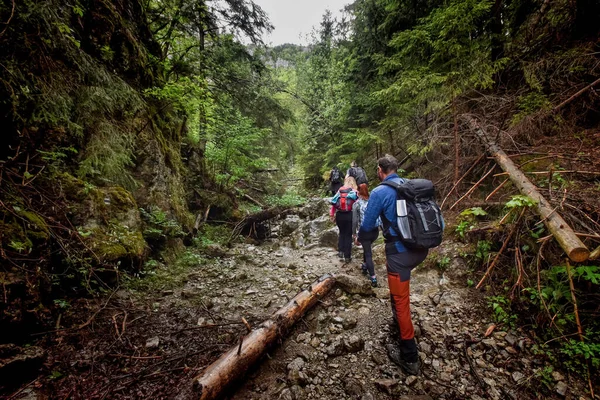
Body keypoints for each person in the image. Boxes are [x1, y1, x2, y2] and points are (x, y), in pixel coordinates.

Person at [358, 154, 428, 376]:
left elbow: (368, 223)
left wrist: (361, 238)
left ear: (380, 170)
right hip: (422, 249)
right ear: (396, 168)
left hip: (400, 254)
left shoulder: (379, 191)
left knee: (401, 301)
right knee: (399, 297)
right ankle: (399, 325)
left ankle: (410, 357)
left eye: (378, 170)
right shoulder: (409, 186)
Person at [352, 184, 379, 287]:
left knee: (368, 253)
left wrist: (354, 234)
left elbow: (354, 221)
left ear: (358, 192)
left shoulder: (357, 204)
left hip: (364, 231)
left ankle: (373, 277)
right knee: (366, 247)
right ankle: (364, 266)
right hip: (375, 231)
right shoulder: (373, 202)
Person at [330, 176, 358, 263]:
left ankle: (340, 252)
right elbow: (358, 205)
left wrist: (332, 214)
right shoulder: (355, 192)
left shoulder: (340, 191)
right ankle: (347, 256)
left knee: (342, 233)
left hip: (339, 215)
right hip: (350, 214)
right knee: (348, 235)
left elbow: (334, 203)